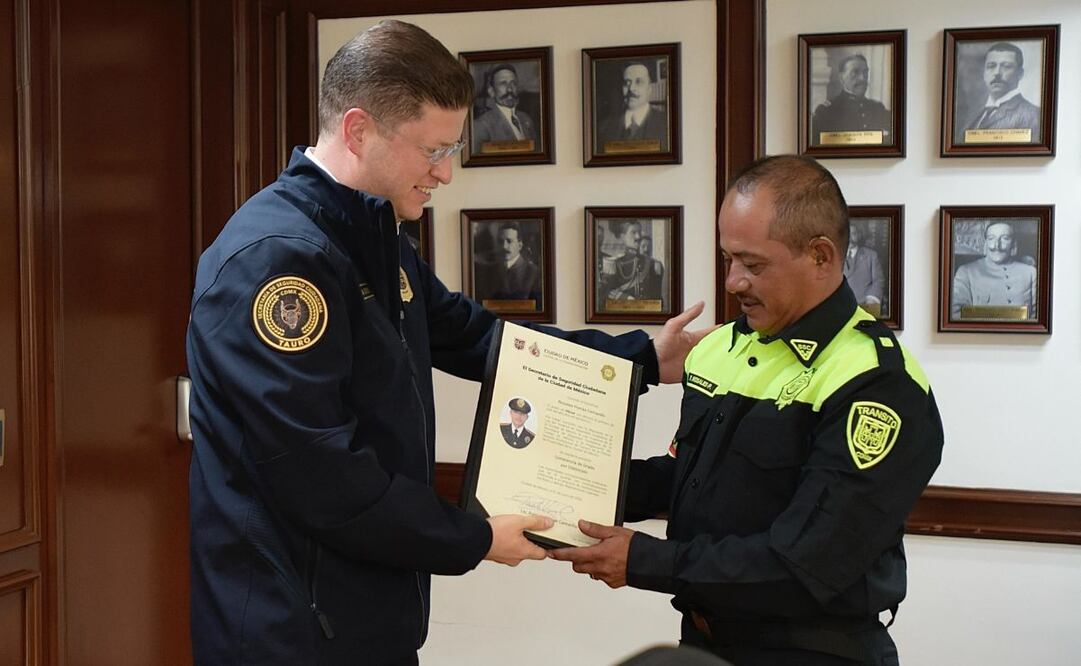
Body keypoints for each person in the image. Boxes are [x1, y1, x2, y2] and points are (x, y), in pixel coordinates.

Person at [186, 19, 712, 665]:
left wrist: (642, 359)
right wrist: (474, 537)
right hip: (289, 625)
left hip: (363, 609)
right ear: (358, 129)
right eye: (432, 150)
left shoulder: (372, 237)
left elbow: (477, 339)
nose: (446, 174)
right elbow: (323, 475)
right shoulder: (280, 262)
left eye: (452, 149)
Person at [552, 155, 944, 665]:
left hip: (810, 652)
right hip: (705, 639)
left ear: (821, 256)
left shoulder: (874, 380)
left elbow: (804, 562)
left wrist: (644, 560)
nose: (733, 281)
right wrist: (571, 486)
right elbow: (692, 480)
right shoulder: (722, 347)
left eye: (753, 264)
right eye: (728, 260)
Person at [951, 221, 1036, 320]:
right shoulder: (966, 272)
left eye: (1005, 238)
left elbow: (1037, 317)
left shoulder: (1030, 272)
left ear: (1013, 244)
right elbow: (956, 315)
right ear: (986, 243)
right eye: (991, 238)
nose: (997, 245)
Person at [962, 42, 1040, 138]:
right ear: (984, 73)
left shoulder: (1034, 115)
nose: (997, 72)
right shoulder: (973, 116)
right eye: (991, 66)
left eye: (1006, 66)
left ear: (1020, 74)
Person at [811, 54, 891, 142]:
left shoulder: (878, 109)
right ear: (841, 78)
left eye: (865, 72)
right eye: (855, 72)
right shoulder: (826, 112)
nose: (862, 78)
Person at [597, 62, 668, 151]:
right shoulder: (603, 127)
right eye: (627, 83)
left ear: (650, 89)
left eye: (639, 82)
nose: (631, 88)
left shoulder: (667, 123)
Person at [471, 63, 536, 152]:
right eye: (503, 83)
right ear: (491, 91)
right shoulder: (481, 126)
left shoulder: (526, 119)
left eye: (513, 83)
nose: (510, 89)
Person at [474, 222, 542, 303]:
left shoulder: (534, 273)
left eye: (509, 241)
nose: (504, 246)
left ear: (519, 245)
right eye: (500, 241)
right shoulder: (488, 272)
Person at [600, 220, 664, 303]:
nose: (638, 236)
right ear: (622, 237)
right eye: (633, 232)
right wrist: (626, 298)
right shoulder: (613, 264)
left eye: (639, 232)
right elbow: (606, 292)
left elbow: (658, 297)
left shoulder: (653, 264)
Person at [844, 222, 885, 316]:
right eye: (847, 235)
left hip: (864, 308)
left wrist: (871, 299)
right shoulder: (836, 257)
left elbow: (878, 280)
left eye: (853, 234)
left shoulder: (871, 256)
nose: (850, 238)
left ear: (858, 235)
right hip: (842, 308)